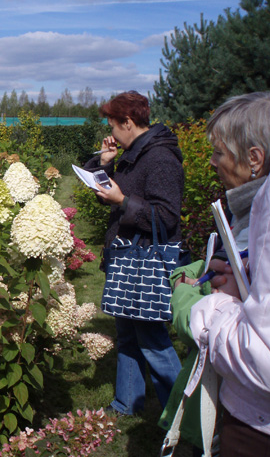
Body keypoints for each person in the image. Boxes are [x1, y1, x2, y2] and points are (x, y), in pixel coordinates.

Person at [170, 92, 270, 456]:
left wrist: (210, 303)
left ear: (254, 158)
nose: (213, 162)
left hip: (262, 424)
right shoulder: (247, 209)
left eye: (219, 152)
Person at [83, 90, 183, 415]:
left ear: (127, 122)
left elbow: (166, 216)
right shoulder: (133, 152)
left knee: (152, 340)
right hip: (126, 256)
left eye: (113, 125)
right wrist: (104, 163)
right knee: (126, 334)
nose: (110, 133)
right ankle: (126, 403)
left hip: (145, 261)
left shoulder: (160, 158)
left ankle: (184, 415)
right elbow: (106, 191)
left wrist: (122, 202)